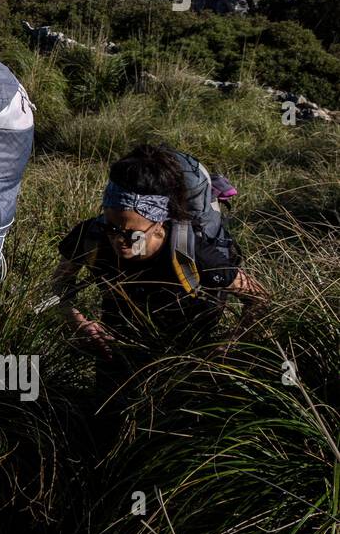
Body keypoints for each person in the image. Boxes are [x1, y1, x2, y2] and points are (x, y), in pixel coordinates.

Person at [49, 143, 269, 435]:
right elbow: (58, 285)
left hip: (187, 360)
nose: (120, 242)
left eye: (133, 234)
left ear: (159, 222)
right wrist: (78, 321)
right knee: (106, 425)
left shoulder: (193, 253)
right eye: (112, 227)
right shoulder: (91, 235)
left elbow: (260, 298)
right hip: (117, 350)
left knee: (176, 429)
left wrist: (229, 345)